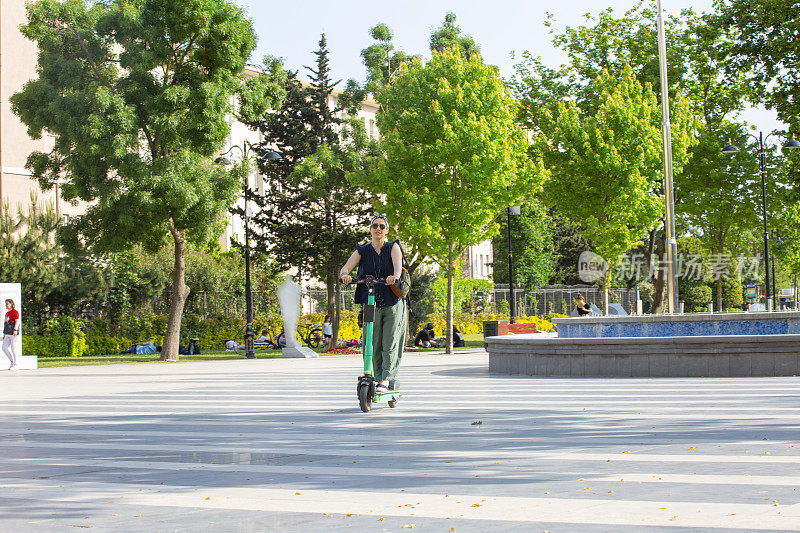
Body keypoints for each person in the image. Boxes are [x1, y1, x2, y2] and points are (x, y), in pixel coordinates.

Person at [340, 214, 406, 393]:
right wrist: (345, 275)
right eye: (375, 226)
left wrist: (395, 277)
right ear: (370, 229)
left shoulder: (393, 247)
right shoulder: (362, 251)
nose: (378, 229)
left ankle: (385, 379)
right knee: (371, 341)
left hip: (392, 302)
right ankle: (374, 376)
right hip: (370, 303)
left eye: (382, 226)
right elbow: (345, 268)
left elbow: (398, 267)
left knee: (389, 342)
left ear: (387, 230)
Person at [3, 299, 20, 370]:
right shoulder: (7, 313)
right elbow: (5, 323)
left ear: (11, 304)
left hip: (12, 332)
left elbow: (17, 321)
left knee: (13, 348)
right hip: (7, 333)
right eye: (5, 304)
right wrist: (4, 334)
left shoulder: (14, 312)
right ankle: (12, 361)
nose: (6, 305)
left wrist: (15, 330)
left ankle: (16, 364)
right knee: (4, 348)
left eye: (7, 304)